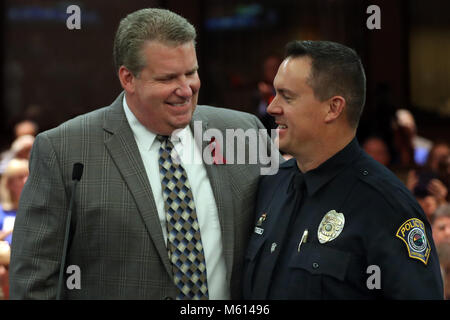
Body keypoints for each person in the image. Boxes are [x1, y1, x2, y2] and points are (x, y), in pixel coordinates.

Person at [10, 8, 277, 300]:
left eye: (191, 72)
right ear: (128, 78)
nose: (186, 89)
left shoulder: (240, 132)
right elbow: (34, 281)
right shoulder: (63, 150)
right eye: (168, 78)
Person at [243, 40, 443, 299]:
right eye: (275, 94)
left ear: (333, 108)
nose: (272, 107)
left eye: (287, 97)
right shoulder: (272, 183)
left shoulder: (386, 206)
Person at [0, 158, 29, 300]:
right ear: (10, 184)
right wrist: (9, 231)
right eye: (20, 177)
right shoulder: (2, 212)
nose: (26, 180)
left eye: (28, 175)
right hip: (8, 262)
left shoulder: (36, 210)